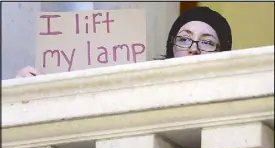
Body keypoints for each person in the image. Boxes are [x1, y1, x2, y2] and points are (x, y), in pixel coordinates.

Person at [16, 6, 232, 77]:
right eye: (184, 39)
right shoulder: (146, 84)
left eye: (206, 42)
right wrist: (28, 94)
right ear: (172, 46)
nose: (193, 49)